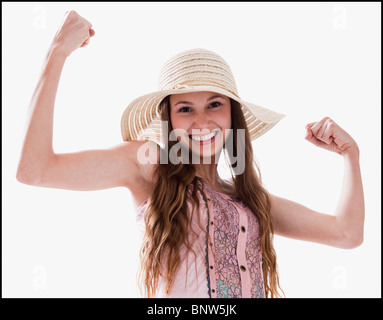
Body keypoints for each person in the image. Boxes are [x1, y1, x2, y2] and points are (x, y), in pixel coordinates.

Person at [16, 11, 365, 298]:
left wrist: (351, 155)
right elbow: (35, 170)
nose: (201, 121)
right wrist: (56, 53)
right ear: (169, 120)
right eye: (185, 109)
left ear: (232, 115)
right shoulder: (148, 165)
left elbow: (346, 234)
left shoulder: (249, 199)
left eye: (214, 104)